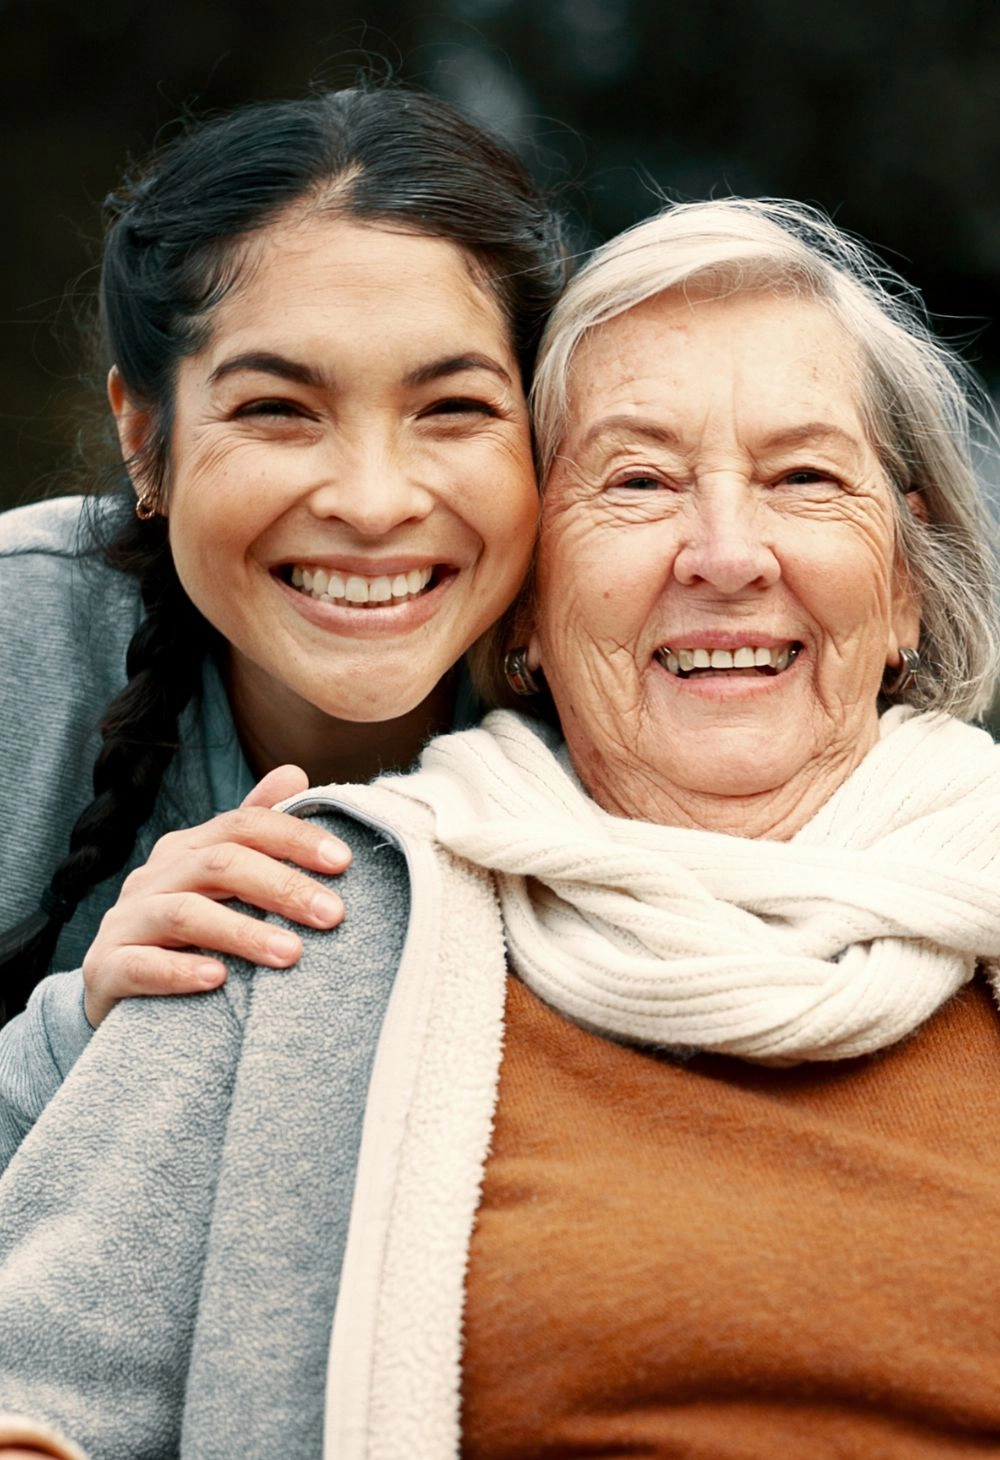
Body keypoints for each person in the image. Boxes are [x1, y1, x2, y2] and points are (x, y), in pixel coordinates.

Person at [3, 197, 1000, 1458]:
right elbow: (35, 1402)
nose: (727, 553)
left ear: (909, 576)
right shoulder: (311, 910)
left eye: (805, 476)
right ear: (524, 610)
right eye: (636, 481)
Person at [0, 82, 566, 1055]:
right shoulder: (22, 643)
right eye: (277, 408)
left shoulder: (642, 664)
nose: (374, 500)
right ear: (144, 438)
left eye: (452, 408)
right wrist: (79, 1031)